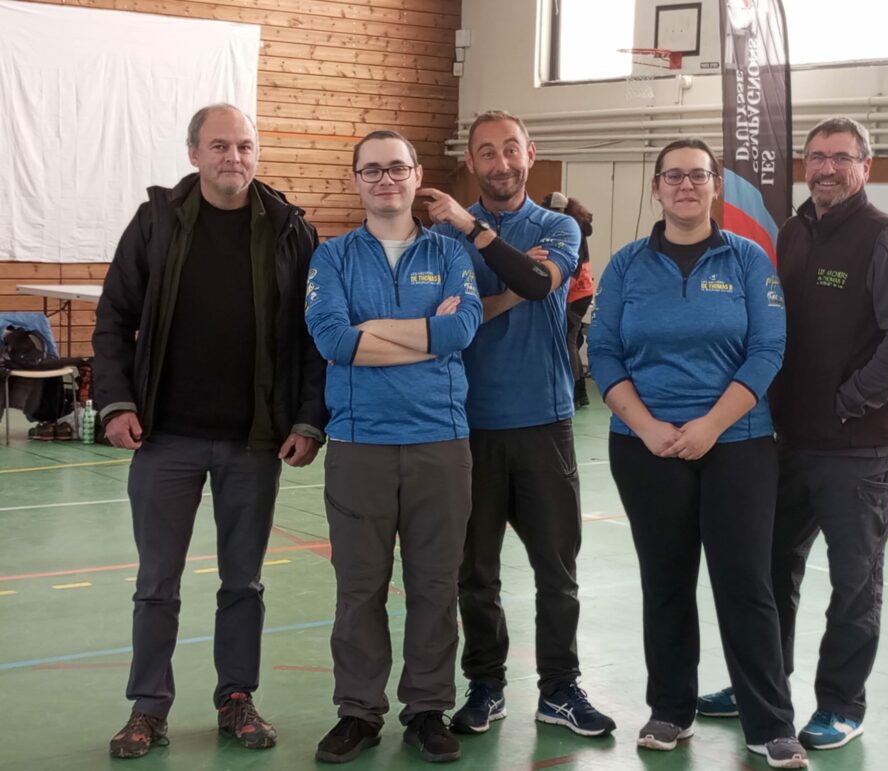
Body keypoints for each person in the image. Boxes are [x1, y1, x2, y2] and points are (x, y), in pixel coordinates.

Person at [93, 103, 327, 759]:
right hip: (164, 438)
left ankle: (236, 698)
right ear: (194, 152)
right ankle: (148, 708)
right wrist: (116, 403)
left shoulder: (290, 229)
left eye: (245, 145)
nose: (234, 157)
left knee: (243, 584)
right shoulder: (157, 222)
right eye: (220, 145)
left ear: (257, 153)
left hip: (255, 442)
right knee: (156, 585)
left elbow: (314, 335)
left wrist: (309, 418)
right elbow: (113, 318)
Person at [699, 117, 888, 751]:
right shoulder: (793, 232)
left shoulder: (884, 238)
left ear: (865, 167)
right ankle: (763, 687)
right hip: (789, 442)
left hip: (857, 448)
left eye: (841, 158)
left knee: (855, 582)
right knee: (771, 570)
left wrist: (847, 402)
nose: (827, 168)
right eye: (818, 157)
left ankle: (841, 704)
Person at [588, 138, 808, 769]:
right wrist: (647, 427)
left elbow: (767, 350)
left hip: (737, 444)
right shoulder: (626, 265)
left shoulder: (749, 260)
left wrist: (711, 425)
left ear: (716, 186)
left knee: (746, 584)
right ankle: (670, 710)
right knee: (665, 581)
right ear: (656, 188)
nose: (686, 185)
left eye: (698, 175)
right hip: (645, 447)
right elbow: (602, 351)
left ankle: (770, 722)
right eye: (673, 176)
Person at [423, 110, 615, 738]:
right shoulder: (442, 239)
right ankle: (485, 685)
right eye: (487, 152)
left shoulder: (558, 226)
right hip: (466, 425)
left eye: (511, 149)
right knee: (475, 572)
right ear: (471, 162)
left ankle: (560, 688)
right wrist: (511, 281)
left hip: (543, 422)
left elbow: (538, 281)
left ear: (530, 154)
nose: (501, 162)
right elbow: (448, 321)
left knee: (557, 571)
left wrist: (482, 245)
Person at [304, 130, 482, 764]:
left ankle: (428, 709)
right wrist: (425, 335)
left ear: (416, 175)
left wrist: (373, 329)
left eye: (397, 168)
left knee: (435, 586)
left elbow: (463, 329)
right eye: (373, 170)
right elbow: (332, 340)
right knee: (360, 589)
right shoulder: (331, 257)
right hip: (361, 443)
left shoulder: (451, 250)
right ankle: (358, 711)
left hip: (441, 440)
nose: (386, 180)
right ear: (356, 179)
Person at [542, 192, 595, 408]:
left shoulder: (571, 228)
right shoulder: (573, 225)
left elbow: (574, 267)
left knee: (568, 340)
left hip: (576, 292)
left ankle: (576, 392)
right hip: (580, 290)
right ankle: (577, 390)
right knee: (571, 339)